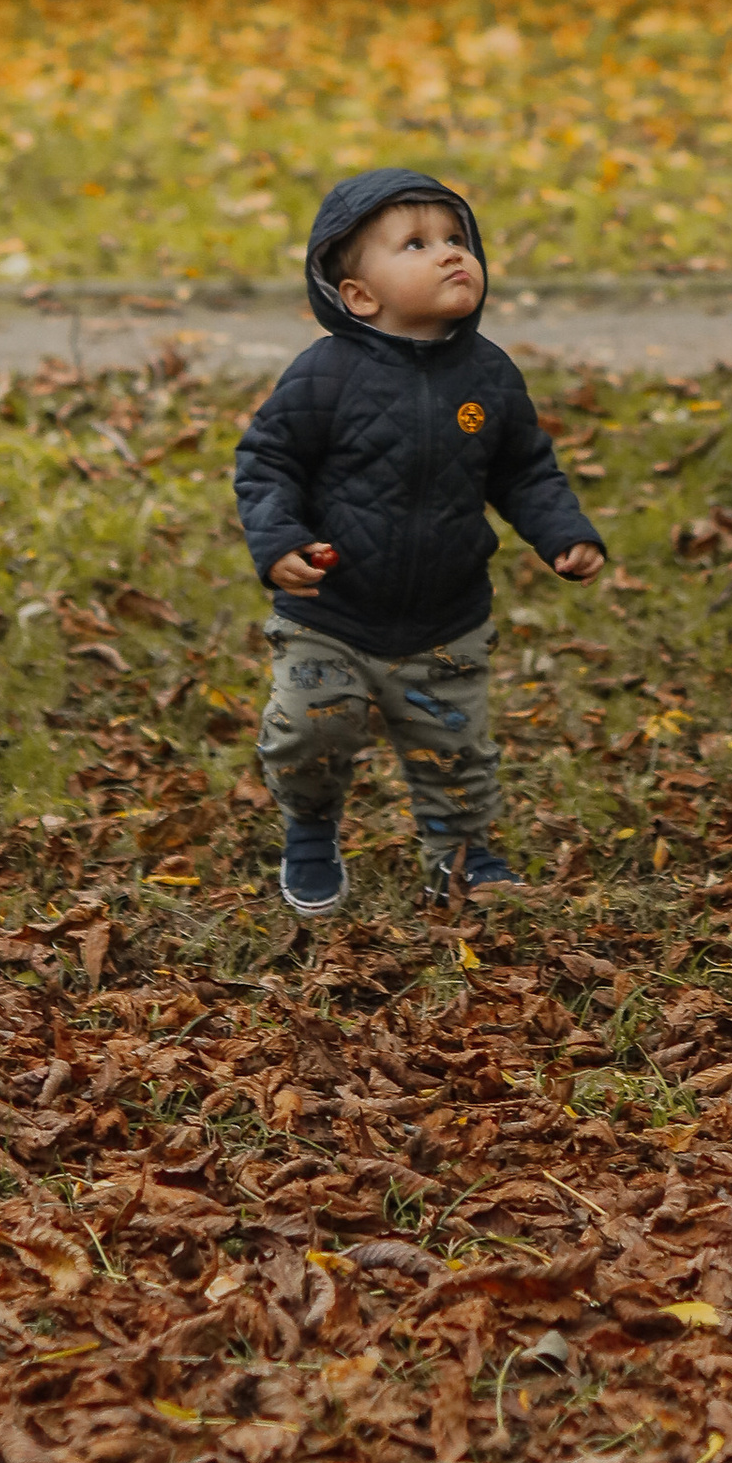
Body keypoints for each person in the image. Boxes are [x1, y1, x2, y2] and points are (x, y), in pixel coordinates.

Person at [233, 166, 605, 917]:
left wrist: (562, 532)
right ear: (359, 296)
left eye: (456, 238)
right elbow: (267, 460)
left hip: (446, 616)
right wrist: (279, 542)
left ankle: (459, 852)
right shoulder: (325, 376)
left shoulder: (490, 375)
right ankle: (310, 829)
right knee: (311, 735)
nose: (449, 254)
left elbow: (525, 470)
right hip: (330, 614)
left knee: (454, 750)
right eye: (416, 244)